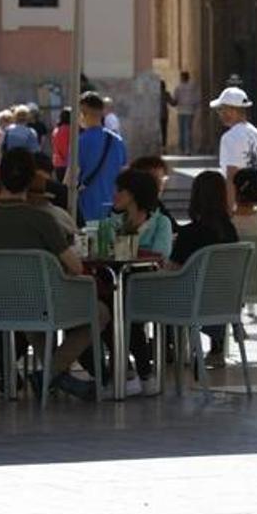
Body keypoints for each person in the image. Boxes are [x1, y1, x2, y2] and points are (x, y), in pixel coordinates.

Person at [0, 149, 105, 400]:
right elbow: (75, 267)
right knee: (100, 311)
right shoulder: (42, 219)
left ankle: (55, 376)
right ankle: (50, 373)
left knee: (33, 311)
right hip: (38, 303)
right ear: (31, 180)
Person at [105, 168, 172, 395]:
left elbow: (160, 253)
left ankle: (139, 372)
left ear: (134, 194)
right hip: (118, 284)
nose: (115, 195)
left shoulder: (161, 223)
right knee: (108, 308)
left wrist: (131, 250)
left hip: (149, 287)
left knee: (122, 307)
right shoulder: (115, 221)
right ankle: (133, 372)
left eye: (120, 191)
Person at [169, 170, 237, 369]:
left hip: (192, 300)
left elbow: (174, 269)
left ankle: (168, 349)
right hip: (226, 298)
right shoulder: (230, 232)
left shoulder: (189, 233)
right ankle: (217, 349)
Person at [77, 91, 127, 221]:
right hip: (112, 208)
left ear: (83, 113)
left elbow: (70, 178)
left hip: (85, 208)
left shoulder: (80, 142)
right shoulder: (118, 140)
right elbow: (124, 174)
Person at [213, 86, 257, 210]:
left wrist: (230, 211)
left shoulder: (230, 137)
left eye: (221, 109)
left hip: (240, 208)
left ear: (232, 110)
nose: (220, 113)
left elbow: (232, 176)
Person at [129, 154, 180, 231]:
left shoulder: (158, 208)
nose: (159, 185)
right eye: (153, 180)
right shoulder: (124, 213)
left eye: (162, 179)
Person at [171, 71, 200, 154]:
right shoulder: (193, 87)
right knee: (188, 130)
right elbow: (197, 99)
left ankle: (181, 149)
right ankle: (188, 149)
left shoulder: (178, 87)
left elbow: (175, 100)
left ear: (182, 77)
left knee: (182, 130)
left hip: (181, 111)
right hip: (190, 111)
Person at [51, 107, 71, 181]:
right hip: (66, 164)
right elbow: (64, 149)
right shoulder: (67, 129)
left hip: (57, 162)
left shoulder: (56, 129)